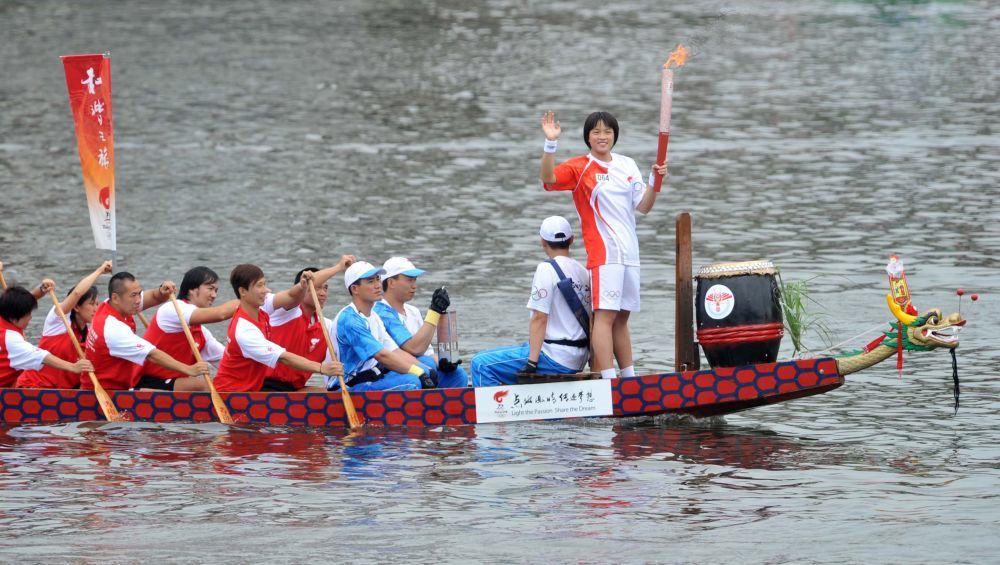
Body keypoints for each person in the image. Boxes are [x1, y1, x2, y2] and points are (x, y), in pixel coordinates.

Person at [539, 110, 668, 380]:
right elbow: (548, 179)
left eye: (607, 132)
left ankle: (629, 378)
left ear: (614, 136)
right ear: (588, 137)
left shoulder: (627, 165)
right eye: (596, 132)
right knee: (605, 316)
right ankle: (609, 379)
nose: (602, 136)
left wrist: (655, 182)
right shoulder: (580, 167)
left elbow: (644, 206)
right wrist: (551, 143)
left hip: (630, 253)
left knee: (622, 318)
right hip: (604, 253)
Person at [471, 216, 592, 386]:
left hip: (553, 357)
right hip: (578, 358)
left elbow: (539, 317)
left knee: (480, 364)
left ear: (542, 241)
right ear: (572, 240)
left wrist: (532, 363)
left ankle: (498, 404)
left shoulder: (546, 268)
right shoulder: (583, 271)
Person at [213, 264, 343, 393]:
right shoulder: (244, 331)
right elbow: (283, 357)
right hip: (233, 394)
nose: (266, 290)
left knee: (327, 394)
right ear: (243, 291)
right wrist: (321, 368)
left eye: (265, 284)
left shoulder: (262, 306)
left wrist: (302, 285)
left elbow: (291, 295)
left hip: (262, 389)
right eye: (259, 285)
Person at [83, 272, 211, 391]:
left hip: (115, 383)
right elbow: (152, 355)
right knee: (196, 385)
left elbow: (152, 297)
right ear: (115, 298)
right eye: (133, 295)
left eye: (139, 293)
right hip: (105, 393)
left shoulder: (110, 304)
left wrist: (161, 291)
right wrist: (188, 369)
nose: (138, 300)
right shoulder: (113, 328)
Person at [332, 261, 435, 392]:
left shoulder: (374, 316)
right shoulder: (350, 320)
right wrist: (418, 372)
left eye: (378, 279)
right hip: (345, 386)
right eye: (370, 281)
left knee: (428, 366)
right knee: (413, 381)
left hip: (371, 378)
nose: (378, 285)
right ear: (355, 289)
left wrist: (425, 370)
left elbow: (395, 352)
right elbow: (382, 356)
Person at [136, 266, 239, 392]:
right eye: (210, 288)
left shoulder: (202, 334)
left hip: (171, 385)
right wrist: (247, 300)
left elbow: (229, 363)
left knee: (225, 384)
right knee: (202, 385)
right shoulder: (173, 308)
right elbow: (220, 314)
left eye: (216, 290)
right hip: (145, 381)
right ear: (192, 289)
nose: (214, 295)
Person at [262, 256, 356, 392]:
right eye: (317, 288)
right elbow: (306, 283)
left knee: (334, 394)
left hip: (296, 389)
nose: (323, 294)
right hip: (265, 387)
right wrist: (339, 267)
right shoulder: (286, 311)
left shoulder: (327, 326)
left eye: (325, 288)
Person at [373, 257, 468, 388]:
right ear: (391, 282)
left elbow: (427, 352)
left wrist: (444, 363)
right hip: (388, 373)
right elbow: (414, 348)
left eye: (415, 280)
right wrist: (434, 312)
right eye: (409, 280)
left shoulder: (413, 311)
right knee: (426, 363)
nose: (414, 285)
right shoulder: (379, 311)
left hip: (419, 366)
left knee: (458, 374)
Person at [17, 261, 113, 389]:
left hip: (63, 393)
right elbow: (77, 293)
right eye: (91, 304)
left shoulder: (90, 335)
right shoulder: (58, 321)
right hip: (33, 388)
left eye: (97, 304)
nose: (96, 309)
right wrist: (100, 271)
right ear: (76, 307)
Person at [1, 284, 94, 388]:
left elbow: (18, 304)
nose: (30, 317)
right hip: (33, 387)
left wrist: (40, 290)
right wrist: (73, 367)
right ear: (14, 317)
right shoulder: (11, 339)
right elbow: (41, 356)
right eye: (28, 314)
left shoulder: (6, 315)